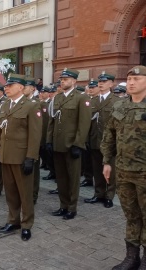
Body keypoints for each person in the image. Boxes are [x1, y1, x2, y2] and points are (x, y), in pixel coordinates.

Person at [101, 65, 146, 270]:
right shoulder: (119, 106)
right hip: (123, 170)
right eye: (129, 79)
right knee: (131, 214)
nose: (131, 82)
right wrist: (107, 162)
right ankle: (132, 257)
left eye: (136, 78)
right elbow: (109, 136)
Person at [0, 74, 42, 241]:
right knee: (11, 192)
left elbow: (35, 135)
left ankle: (27, 224)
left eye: (10, 85)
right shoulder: (5, 105)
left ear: (21, 87)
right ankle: (13, 220)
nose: (6, 88)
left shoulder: (31, 106)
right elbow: (0, 132)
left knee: (25, 193)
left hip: (22, 157)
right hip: (6, 155)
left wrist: (30, 157)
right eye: (6, 86)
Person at [47, 68, 91, 220]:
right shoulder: (57, 98)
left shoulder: (81, 97)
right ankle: (63, 205)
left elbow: (84, 124)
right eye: (61, 79)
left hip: (72, 145)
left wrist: (78, 144)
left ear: (74, 81)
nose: (62, 81)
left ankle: (72, 207)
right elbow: (52, 121)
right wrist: (49, 141)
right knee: (61, 177)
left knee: (72, 178)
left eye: (66, 79)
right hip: (58, 144)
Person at [84, 72, 121, 209]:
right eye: (100, 81)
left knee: (110, 170)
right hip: (94, 140)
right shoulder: (92, 101)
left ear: (111, 84)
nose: (101, 83)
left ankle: (109, 196)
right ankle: (98, 193)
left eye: (104, 82)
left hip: (110, 143)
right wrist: (86, 139)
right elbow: (87, 123)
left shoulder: (117, 101)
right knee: (97, 169)